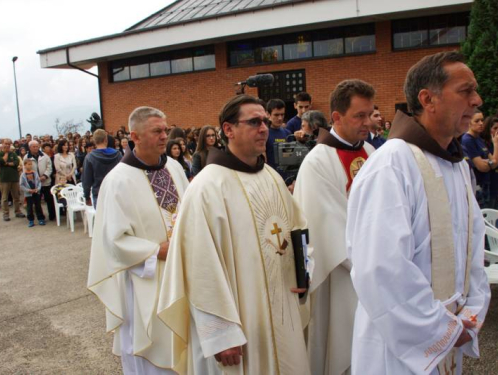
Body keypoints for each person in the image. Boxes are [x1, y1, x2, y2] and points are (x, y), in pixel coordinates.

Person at [346, 51, 490, 375]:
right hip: (400, 348)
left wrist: (471, 313)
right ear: (428, 99)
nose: (477, 100)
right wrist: (440, 329)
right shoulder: (391, 164)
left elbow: (472, 249)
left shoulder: (456, 166)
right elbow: (380, 267)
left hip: (449, 332)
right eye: (465, 91)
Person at [158, 94, 311, 375]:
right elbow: (199, 265)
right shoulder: (207, 187)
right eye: (254, 122)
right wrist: (221, 334)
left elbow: (297, 232)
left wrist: (304, 274)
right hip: (240, 325)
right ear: (228, 130)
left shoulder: (272, 178)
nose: (264, 128)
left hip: (281, 314)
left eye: (265, 121)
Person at [87, 106, 189, 374]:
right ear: (135, 136)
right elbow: (112, 240)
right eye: (157, 131)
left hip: (180, 272)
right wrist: (156, 251)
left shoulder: (175, 167)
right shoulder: (117, 181)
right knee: (149, 348)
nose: (164, 136)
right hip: (144, 277)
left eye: (165, 130)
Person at [294, 80, 376, 375]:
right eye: (359, 116)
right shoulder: (319, 160)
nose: (367, 122)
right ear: (337, 117)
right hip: (342, 271)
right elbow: (328, 223)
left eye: (370, 114)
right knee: (343, 345)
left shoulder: (370, 150)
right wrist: (372, 264)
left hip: (376, 266)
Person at [461, 109, 498, 207]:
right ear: (469, 122)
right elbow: (482, 167)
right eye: (477, 121)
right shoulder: (467, 140)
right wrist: (489, 162)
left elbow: (494, 162)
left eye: (482, 120)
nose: (481, 123)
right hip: (477, 186)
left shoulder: (479, 139)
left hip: (487, 185)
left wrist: (495, 144)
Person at [82, 129, 122, 208]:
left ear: (94, 141)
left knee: (102, 219)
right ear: (106, 139)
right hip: (116, 192)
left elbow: (86, 180)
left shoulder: (89, 157)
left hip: (99, 194)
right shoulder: (118, 155)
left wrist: (87, 196)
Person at [24, 140, 55, 221]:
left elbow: (49, 167)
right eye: (33, 146)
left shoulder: (45, 155)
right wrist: (35, 179)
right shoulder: (26, 157)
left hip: (46, 181)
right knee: (37, 201)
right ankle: (41, 217)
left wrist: (45, 176)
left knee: (49, 199)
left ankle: (52, 215)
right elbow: (25, 169)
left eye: (37, 146)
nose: (35, 148)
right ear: (30, 147)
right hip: (35, 183)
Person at [0, 138, 25, 221]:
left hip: (14, 178)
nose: (7, 145)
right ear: (2, 144)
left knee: (16, 197)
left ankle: (18, 211)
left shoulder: (13, 154)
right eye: (5, 143)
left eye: (9, 144)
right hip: (4, 179)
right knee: (5, 198)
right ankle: (6, 214)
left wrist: (7, 164)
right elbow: (1, 162)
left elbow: (16, 163)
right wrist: (6, 154)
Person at [264, 99, 291, 176]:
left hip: (287, 178)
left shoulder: (287, 133)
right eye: (276, 115)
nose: (280, 118)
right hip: (271, 177)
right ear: (268, 114)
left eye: (282, 115)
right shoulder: (264, 134)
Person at [20, 159, 45, 227]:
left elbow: (39, 182)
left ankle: (41, 218)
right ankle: (31, 220)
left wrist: (38, 189)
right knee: (29, 207)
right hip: (29, 193)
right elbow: (21, 185)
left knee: (38, 206)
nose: (30, 166)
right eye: (28, 164)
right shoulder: (23, 175)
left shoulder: (35, 173)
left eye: (31, 164)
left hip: (36, 192)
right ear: (25, 165)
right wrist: (28, 190)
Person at [481, 116, 498, 208]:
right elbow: (494, 163)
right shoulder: (484, 144)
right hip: (489, 186)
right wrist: (496, 144)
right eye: (495, 128)